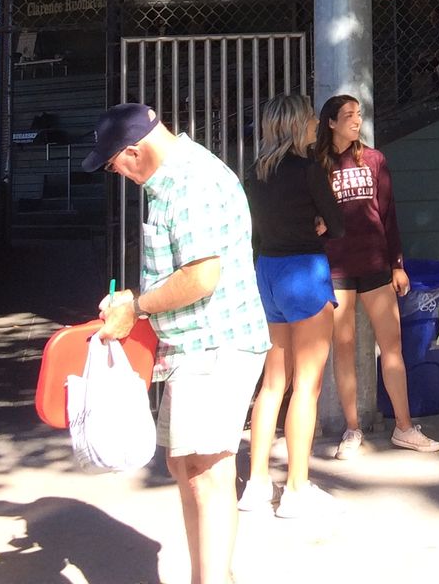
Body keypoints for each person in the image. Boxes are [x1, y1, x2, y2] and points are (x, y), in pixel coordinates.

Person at [92, 104, 269, 584]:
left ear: (133, 151)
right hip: (194, 347)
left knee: (206, 473)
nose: (119, 176)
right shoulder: (172, 182)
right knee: (186, 466)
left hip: (216, 345)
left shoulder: (191, 182)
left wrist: (138, 307)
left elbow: (202, 277)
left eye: (114, 166)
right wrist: (135, 300)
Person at [315, 93, 439, 455]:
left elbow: (387, 215)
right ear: (331, 122)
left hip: (375, 265)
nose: (357, 121)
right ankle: (352, 430)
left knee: (392, 346)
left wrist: (397, 265)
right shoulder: (319, 163)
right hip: (336, 268)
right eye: (349, 115)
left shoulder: (374, 159)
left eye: (359, 114)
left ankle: (404, 426)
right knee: (344, 347)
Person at [238, 94, 344, 522]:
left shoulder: (255, 174)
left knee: (271, 384)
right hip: (304, 271)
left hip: (268, 273)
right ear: (297, 124)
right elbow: (336, 224)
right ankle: (297, 487)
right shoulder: (308, 170)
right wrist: (317, 222)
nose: (316, 126)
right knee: (307, 386)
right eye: (310, 121)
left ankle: (257, 483)